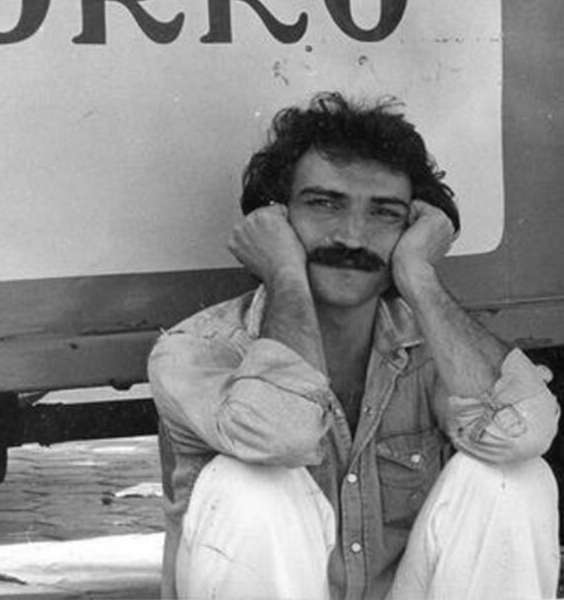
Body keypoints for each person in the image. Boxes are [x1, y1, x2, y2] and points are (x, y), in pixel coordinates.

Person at [148, 92, 561, 600]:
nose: (352, 237)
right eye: (324, 204)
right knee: (253, 485)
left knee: (515, 478)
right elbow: (281, 434)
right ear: (274, 220)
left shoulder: (429, 343)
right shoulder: (197, 350)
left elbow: (524, 431)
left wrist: (418, 275)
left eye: (384, 214)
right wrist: (285, 273)